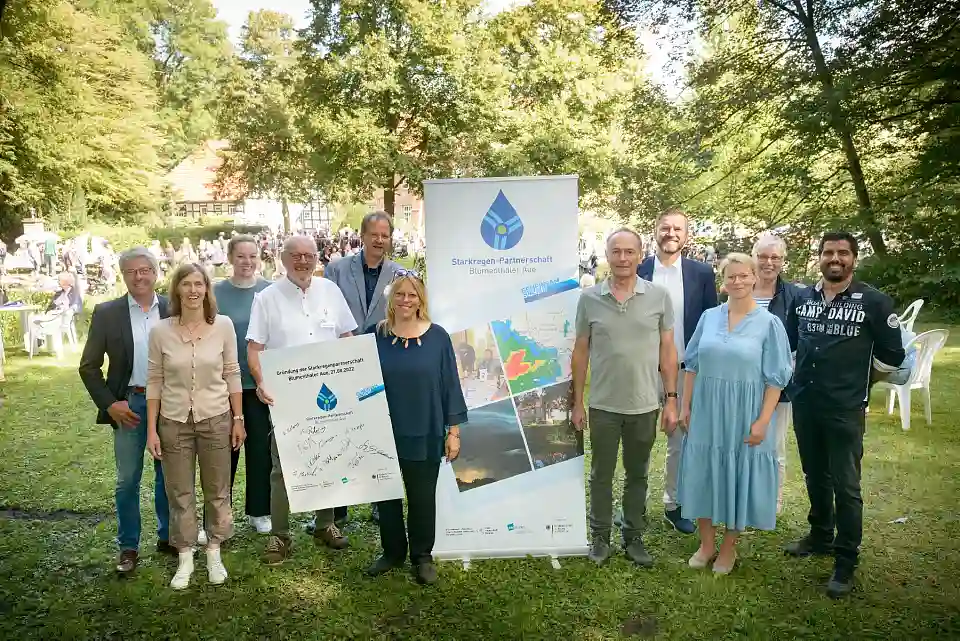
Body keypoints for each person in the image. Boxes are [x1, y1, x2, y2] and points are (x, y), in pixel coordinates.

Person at [785, 232, 905, 598]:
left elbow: (893, 357)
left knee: (846, 485)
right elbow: (790, 345)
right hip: (805, 403)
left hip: (845, 409)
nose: (834, 258)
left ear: (854, 258)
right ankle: (820, 535)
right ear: (818, 257)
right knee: (814, 474)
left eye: (842, 253)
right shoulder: (803, 298)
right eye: (828, 253)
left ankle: (845, 559)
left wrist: (863, 383)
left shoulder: (874, 302)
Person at [677, 254, 793, 574]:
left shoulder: (769, 324)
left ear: (755, 278)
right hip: (706, 409)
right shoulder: (709, 317)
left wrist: (763, 421)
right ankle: (706, 544)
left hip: (746, 412)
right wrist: (686, 405)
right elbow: (692, 364)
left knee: (738, 475)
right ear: (723, 282)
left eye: (744, 276)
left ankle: (729, 548)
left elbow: (776, 379)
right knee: (703, 472)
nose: (737, 282)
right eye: (731, 277)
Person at [247, 235, 358, 565]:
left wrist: (355, 373)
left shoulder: (330, 292)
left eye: (309, 255)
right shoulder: (267, 298)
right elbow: (254, 348)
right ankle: (279, 535)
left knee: (328, 456)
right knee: (283, 467)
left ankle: (326, 524)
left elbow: (347, 336)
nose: (303, 261)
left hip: (329, 394)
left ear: (317, 259)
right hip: (286, 396)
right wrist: (261, 382)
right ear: (283, 258)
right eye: (296, 255)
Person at [572, 228, 679, 567]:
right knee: (600, 475)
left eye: (629, 252)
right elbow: (580, 351)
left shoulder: (659, 297)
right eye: (616, 251)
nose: (622, 258)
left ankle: (633, 537)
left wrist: (672, 399)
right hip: (603, 405)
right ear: (607, 255)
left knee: (638, 474)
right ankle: (600, 537)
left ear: (639, 255)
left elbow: (667, 350)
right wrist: (577, 402)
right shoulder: (589, 299)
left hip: (645, 405)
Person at [145, 263, 245, 590]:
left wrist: (238, 418)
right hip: (173, 421)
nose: (192, 290)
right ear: (176, 290)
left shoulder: (224, 326)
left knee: (218, 489)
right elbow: (155, 381)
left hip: (216, 418)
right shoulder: (160, 331)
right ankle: (185, 555)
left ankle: (214, 549)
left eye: (198, 284)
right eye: (186, 284)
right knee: (180, 492)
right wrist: (151, 429)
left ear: (206, 289)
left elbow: (232, 372)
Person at [365, 270, 467, 584]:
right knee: (387, 496)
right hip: (382, 431)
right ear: (391, 298)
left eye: (412, 294)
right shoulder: (374, 335)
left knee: (422, 498)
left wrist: (454, 432)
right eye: (399, 293)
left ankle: (422, 556)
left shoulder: (438, 337)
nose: (405, 300)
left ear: (420, 299)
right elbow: (355, 378)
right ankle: (393, 551)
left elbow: (450, 384)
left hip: (425, 430)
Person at [78, 247, 172, 575]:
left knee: (168, 475)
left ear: (155, 272)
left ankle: (168, 536)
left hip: (169, 404)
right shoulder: (107, 313)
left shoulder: (173, 307)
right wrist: (110, 403)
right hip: (129, 405)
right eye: (132, 271)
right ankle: (129, 546)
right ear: (123, 275)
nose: (139, 276)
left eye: (145, 269)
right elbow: (88, 367)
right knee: (128, 479)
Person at [637, 207, 718, 535]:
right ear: (655, 231)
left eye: (678, 229)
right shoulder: (637, 269)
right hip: (642, 369)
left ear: (687, 235)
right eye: (665, 228)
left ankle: (674, 504)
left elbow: (711, 321)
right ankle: (634, 506)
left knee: (680, 440)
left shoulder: (701, 274)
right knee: (639, 439)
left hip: (685, 370)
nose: (671, 234)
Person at [322, 212, 403, 525]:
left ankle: (378, 502)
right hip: (342, 363)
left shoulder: (400, 274)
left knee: (379, 432)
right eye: (374, 234)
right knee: (341, 429)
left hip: (383, 363)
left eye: (385, 235)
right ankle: (338, 507)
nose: (379, 240)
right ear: (363, 235)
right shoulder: (337, 269)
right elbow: (324, 311)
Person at [213, 235, 273, 534]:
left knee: (260, 449)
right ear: (230, 258)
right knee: (225, 451)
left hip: (259, 384)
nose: (247, 262)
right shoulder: (215, 292)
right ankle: (219, 513)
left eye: (253, 256)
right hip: (223, 385)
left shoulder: (270, 290)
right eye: (241, 256)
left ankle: (259, 511)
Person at [751, 234, 803, 512]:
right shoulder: (739, 289)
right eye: (763, 256)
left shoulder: (794, 296)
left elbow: (800, 341)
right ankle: (746, 495)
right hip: (743, 381)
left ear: (783, 262)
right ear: (753, 258)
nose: (768, 263)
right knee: (745, 439)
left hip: (778, 384)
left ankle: (772, 503)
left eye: (775, 258)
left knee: (774, 445)